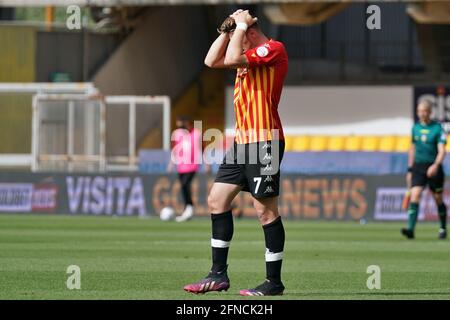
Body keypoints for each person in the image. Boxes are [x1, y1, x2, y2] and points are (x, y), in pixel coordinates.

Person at [183, 9, 288, 296]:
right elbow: (211, 60)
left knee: (265, 212)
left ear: (251, 33)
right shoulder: (244, 55)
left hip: (264, 141)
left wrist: (240, 26)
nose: (234, 42)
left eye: (239, 37)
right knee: (217, 199)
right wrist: (226, 30)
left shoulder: (273, 49)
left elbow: (229, 59)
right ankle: (218, 274)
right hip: (242, 144)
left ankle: (273, 282)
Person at [402, 100, 447, 239]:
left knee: (438, 199)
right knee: (415, 195)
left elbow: (442, 151)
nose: (422, 113)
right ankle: (410, 229)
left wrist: (435, 165)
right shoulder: (415, 128)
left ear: (430, 112)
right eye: (419, 111)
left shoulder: (438, 128)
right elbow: (412, 149)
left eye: (424, 111)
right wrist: (410, 169)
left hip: (433, 167)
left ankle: (442, 227)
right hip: (418, 167)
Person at [168, 116, 202, 222]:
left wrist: (205, 162)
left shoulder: (196, 133)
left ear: (186, 122)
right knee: (183, 186)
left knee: (185, 184)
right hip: (181, 165)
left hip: (192, 165)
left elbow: (201, 147)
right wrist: (171, 162)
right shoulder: (178, 134)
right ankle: (187, 208)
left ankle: (189, 207)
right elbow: (175, 148)